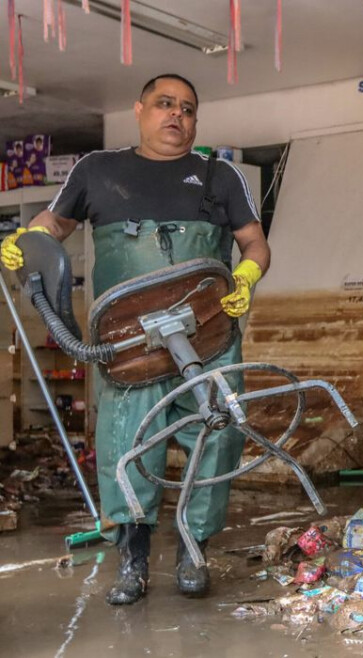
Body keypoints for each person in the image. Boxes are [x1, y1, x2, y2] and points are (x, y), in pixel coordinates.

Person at [0, 73, 270, 605]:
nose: (177, 115)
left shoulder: (220, 176)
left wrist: (246, 276)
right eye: (165, 104)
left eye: (188, 108)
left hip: (208, 336)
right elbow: (54, 226)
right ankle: (133, 559)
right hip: (126, 343)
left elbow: (254, 242)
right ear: (140, 110)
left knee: (214, 441)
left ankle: (194, 552)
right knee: (125, 445)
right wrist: (26, 239)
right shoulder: (98, 170)